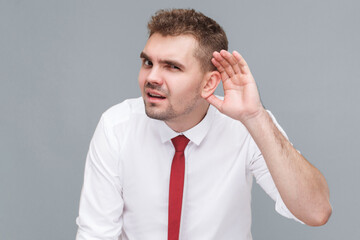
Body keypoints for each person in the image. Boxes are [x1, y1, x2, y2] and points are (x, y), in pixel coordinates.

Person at [76, 8, 331, 240]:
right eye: (148, 63)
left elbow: (316, 212)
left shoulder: (245, 126)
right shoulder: (117, 127)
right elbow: (95, 234)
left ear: (209, 83)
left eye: (172, 67)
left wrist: (255, 118)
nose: (151, 78)